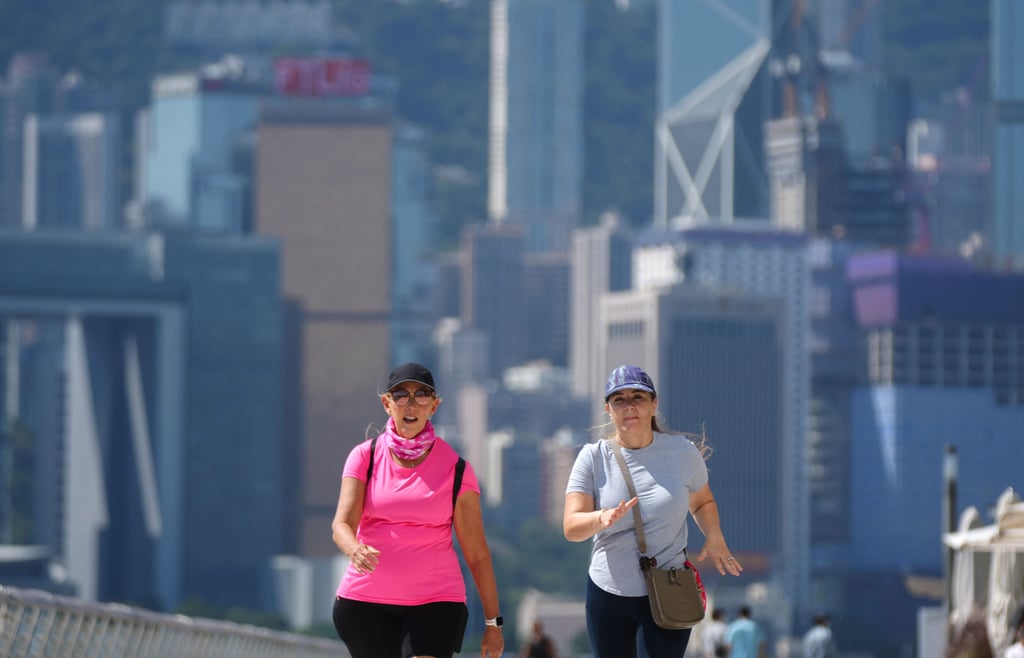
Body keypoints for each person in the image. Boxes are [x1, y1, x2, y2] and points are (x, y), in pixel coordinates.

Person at [563, 364, 743, 658]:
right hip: (609, 591)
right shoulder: (592, 457)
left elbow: (702, 501)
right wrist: (601, 518)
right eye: (619, 399)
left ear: (654, 404)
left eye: (638, 397)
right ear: (608, 409)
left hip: (669, 587)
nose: (629, 406)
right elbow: (571, 527)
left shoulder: (681, 452)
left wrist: (714, 535)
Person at [331, 363, 504, 658]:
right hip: (365, 603)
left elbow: (477, 554)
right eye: (401, 395)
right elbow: (341, 525)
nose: (411, 404)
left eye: (421, 395)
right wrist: (355, 549)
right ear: (387, 404)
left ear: (434, 406)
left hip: (436, 602)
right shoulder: (364, 457)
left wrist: (493, 624)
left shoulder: (457, 470)